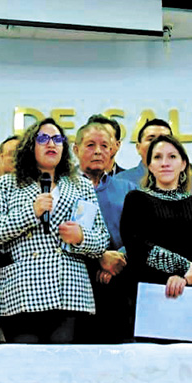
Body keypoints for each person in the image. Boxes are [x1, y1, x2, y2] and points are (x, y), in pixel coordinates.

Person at [0, 118, 109, 343]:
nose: (51, 144)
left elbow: (101, 240)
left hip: (70, 293)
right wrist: (31, 213)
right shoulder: (7, 184)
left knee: (63, 371)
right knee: (26, 371)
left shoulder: (81, 185)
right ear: (31, 146)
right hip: (22, 293)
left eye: (57, 139)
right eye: (43, 139)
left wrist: (80, 237)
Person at [119, 134, 192, 340]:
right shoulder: (136, 199)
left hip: (190, 297)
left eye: (172, 157)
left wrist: (187, 275)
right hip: (147, 297)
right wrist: (182, 266)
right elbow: (136, 245)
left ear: (183, 164)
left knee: (189, 366)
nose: (164, 163)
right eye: (157, 157)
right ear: (149, 165)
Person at [74, 118, 138, 343]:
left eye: (104, 146)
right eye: (90, 145)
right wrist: (98, 260)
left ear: (113, 150)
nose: (98, 151)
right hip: (78, 286)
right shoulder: (62, 187)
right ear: (76, 149)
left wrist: (117, 258)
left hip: (122, 284)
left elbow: (139, 234)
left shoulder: (128, 188)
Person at [115, 118, 192, 191]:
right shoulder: (120, 181)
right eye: (151, 139)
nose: (158, 144)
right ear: (138, 147)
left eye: (165, 139)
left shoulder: (188, 181)